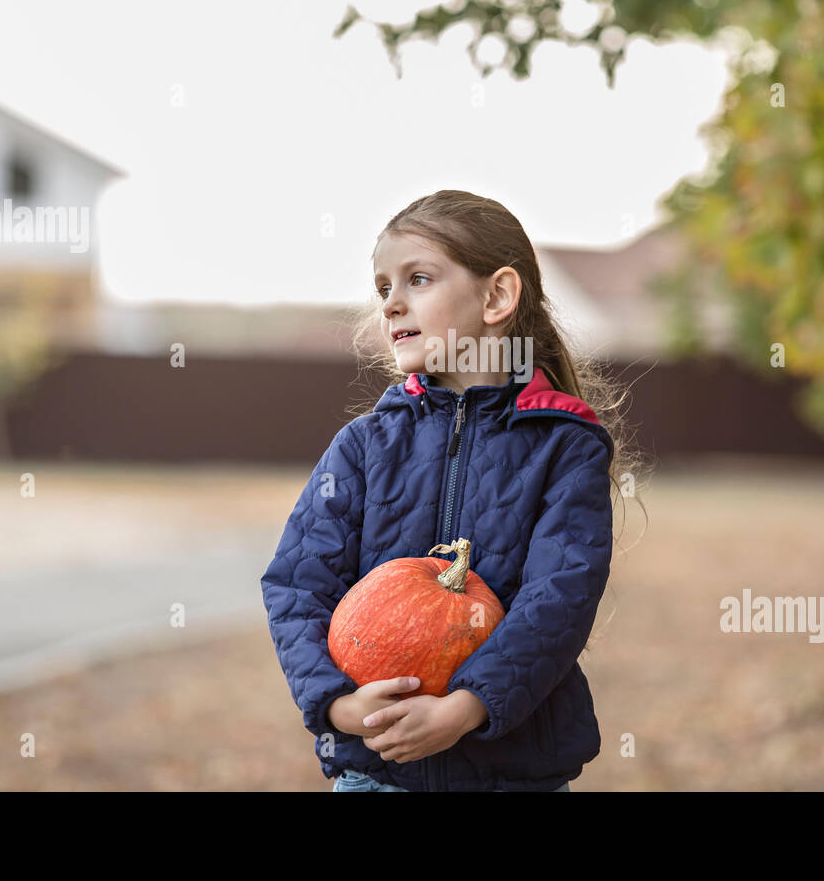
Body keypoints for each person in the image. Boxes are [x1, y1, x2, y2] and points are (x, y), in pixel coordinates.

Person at [261, 189, 648, 791]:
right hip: (379, 773)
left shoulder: (565, 446)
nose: (391, 304)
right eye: (383, 287)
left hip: (513, 774)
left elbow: (560, 598)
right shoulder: (363, 446)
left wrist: (466, 708)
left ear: (496, 296)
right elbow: (296, 583)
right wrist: (337, 706)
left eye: (417, 279)